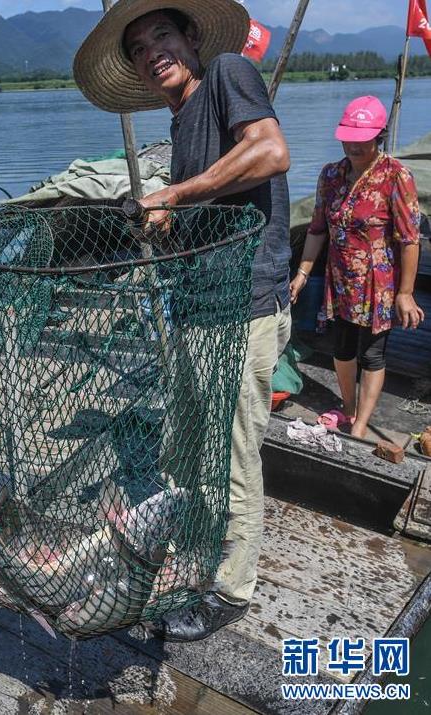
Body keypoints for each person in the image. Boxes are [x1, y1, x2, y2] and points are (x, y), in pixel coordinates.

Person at [74, 0, 292, 641]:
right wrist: (169, 220)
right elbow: (213, 202)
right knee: (187, 448)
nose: (153, 53)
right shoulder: (181, 120)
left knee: (231, 456)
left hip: (245, 306)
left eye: (162, 35)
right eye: (139, 49)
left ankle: (230, 591)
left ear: (192, 37)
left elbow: (271, 152)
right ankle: (195, 559)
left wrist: (172, 193)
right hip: (201, 308)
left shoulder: (227, 72)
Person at [290, 95, 424, 439]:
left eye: (362, 139)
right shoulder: (331, 175)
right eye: (348, 137)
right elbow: (317, 229)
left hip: (379, 283)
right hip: (340, 280)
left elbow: (410, 240)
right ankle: (348, 408)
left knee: (372, 354)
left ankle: (361, 424)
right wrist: (303, 273)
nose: (353, 145)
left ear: (379, 135)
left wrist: (406, 293)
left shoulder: (396, 176)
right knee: (342, 349)